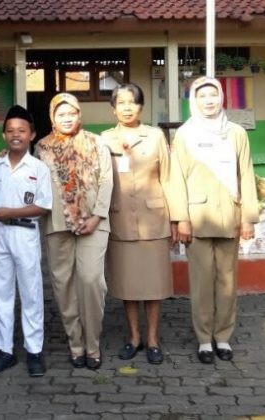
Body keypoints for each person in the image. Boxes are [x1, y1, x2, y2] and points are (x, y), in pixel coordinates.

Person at [169, 77, 259, 364]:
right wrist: (180, 218)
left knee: (227, 282)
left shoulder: (236, 133)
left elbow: (246, 174)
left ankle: (223, 337)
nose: (209, 100)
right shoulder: (184, 134)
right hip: (197, 219)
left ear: (222, 98)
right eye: (203, 96)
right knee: (201, 282)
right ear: (194, 101)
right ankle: (204, 340)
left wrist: (248, 217)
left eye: (214, 95)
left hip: (230, 216)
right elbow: (176, 180)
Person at [35, 92, 113, 370]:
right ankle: (75, 344)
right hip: (58, 225)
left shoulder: (96, 143)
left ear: (80, 114)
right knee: (64, 285)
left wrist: (97, 215)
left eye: (72, 113)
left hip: (94, 223)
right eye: (61, 114)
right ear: (52, 117)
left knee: (92, 281)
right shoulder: (42, 147)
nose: (67, 118)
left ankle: (93, 345)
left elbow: (106, 180)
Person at [101, 83, 175, 365]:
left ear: (141, 106)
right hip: (119, 219)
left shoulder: (155, 136)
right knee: (128, 284)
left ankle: (153, 339)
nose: (127, 107)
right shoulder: (104, 139)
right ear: (113, 108)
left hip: (154, 219)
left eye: (132, 102)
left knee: (153, 284)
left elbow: (168, 177)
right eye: (121, 102)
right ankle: (134, 337)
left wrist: (177, 218)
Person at [0, 105, 52, 377]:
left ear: (32, 135)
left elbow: (43, 206)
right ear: (3, 135)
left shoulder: (38, 168)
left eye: (21, 130)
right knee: (1, 293)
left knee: (31, 293)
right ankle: (4, 351)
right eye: (10, 130)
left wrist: (10, 212)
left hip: (25, 234)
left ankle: (34, 351)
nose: (15, 135)